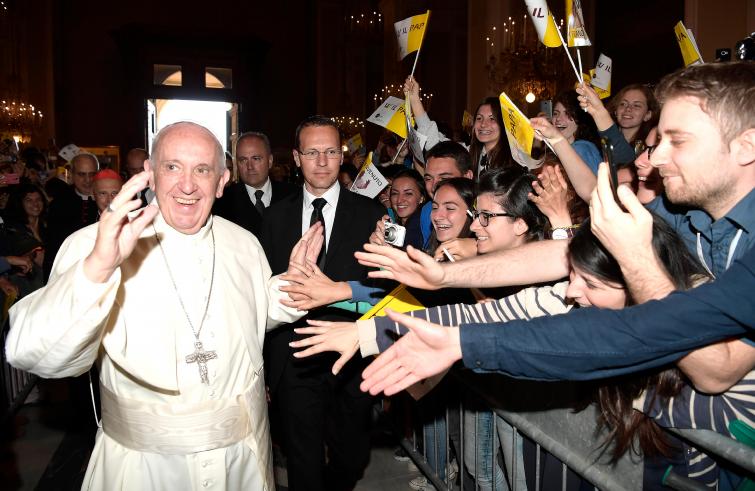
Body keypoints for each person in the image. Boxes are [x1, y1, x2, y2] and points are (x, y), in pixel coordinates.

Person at [6, 121, 323, 490]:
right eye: (172, 167)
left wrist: (292, 287)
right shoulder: (94, 246)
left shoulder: (244, 243)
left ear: (222, 181)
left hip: (242, 461)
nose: (187, 185)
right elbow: (35, 354)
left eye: (202, 170)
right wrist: (98, 270)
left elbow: (256, 313)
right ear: (150, 174)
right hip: (145, 468)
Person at [259, 116, 386, 491]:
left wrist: (344, 290)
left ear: (342, 156)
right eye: (312, 152)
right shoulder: (275, 218)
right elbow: (262, 294)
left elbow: (384, 294)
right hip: (295, 355)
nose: (322, 161)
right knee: (303, 461)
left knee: (352, 455)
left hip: (353, 355)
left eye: (331, 151)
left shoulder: (370, 215)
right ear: (297, 157)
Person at [213, 131, 296, 238]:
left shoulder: (294, 196)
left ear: (270, 161)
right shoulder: (222, 203)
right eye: (243, 160)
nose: (250, 166)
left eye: (256, 159)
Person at [43, 152, 100, 280]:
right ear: (72, 174)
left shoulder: (109, 199)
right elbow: (53, 247)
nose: (88, 180)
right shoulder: (59, 204)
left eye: (92, 174)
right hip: (67, 272)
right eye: (82, 174)